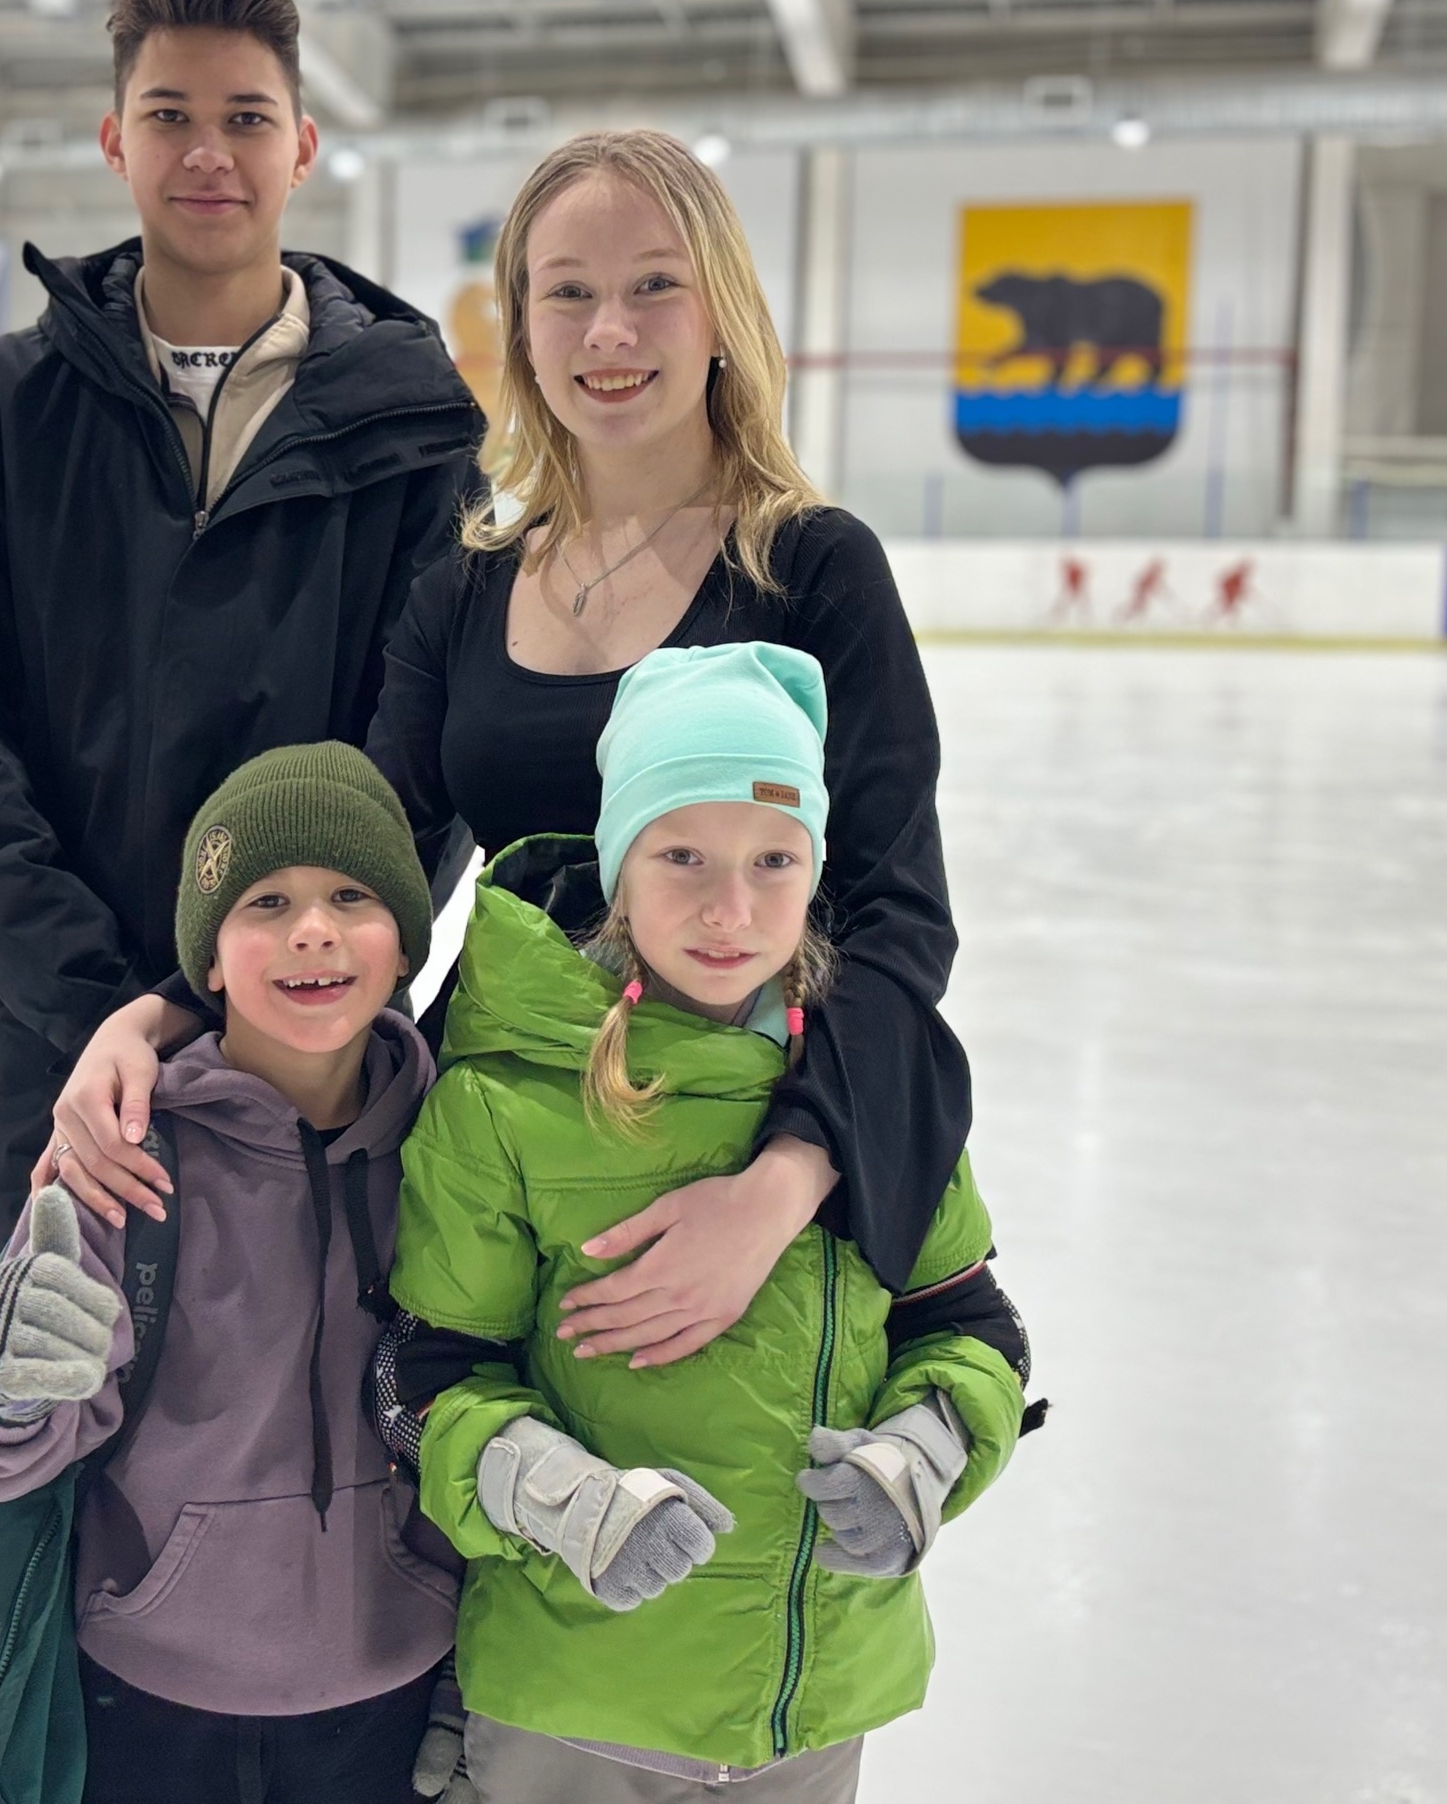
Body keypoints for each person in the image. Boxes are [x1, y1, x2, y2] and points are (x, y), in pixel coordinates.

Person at [50, 128, 972, 1377]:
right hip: (506, 1146)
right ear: (523, 329)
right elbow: (367, 857)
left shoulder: (811, 567)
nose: (609, 331)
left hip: (739, 1148)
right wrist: (158, 1012)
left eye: (654, 284)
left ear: (720, 313)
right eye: (568, 292)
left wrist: (780, 1185)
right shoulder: (468, 586)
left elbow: (897, 916)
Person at [0, 0, 484, 1252]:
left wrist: (267, 994)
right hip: (62, 1067)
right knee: (57, 1379)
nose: (209, 152)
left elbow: (423, 758)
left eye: (246, 119)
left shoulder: (417, 431)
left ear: (303, 147)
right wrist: (103, 1006)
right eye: (170, 116)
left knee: (309, 1377)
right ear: (115, 140)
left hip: (317, 1064)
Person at [379, 643, 1031, 1801]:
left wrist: (923, 1455)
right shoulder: (506, 1097)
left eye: (774, 860)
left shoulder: (874, 1090)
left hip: (817, 1708)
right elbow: (424, 1379)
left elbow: (972, 1329)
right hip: (573, 1708)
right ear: (619, 865)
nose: (731, 910)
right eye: (680, 855)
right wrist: (561, 1498)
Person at [0, 744, 458, 1804]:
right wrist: (5, 1387)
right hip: (149, 1699)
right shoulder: (125, 1157)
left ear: (405, 948)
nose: (312, 929)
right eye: (265, 902)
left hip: (388, 1691)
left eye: (352, 896)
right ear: (207, 961)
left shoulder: (454, 1153)